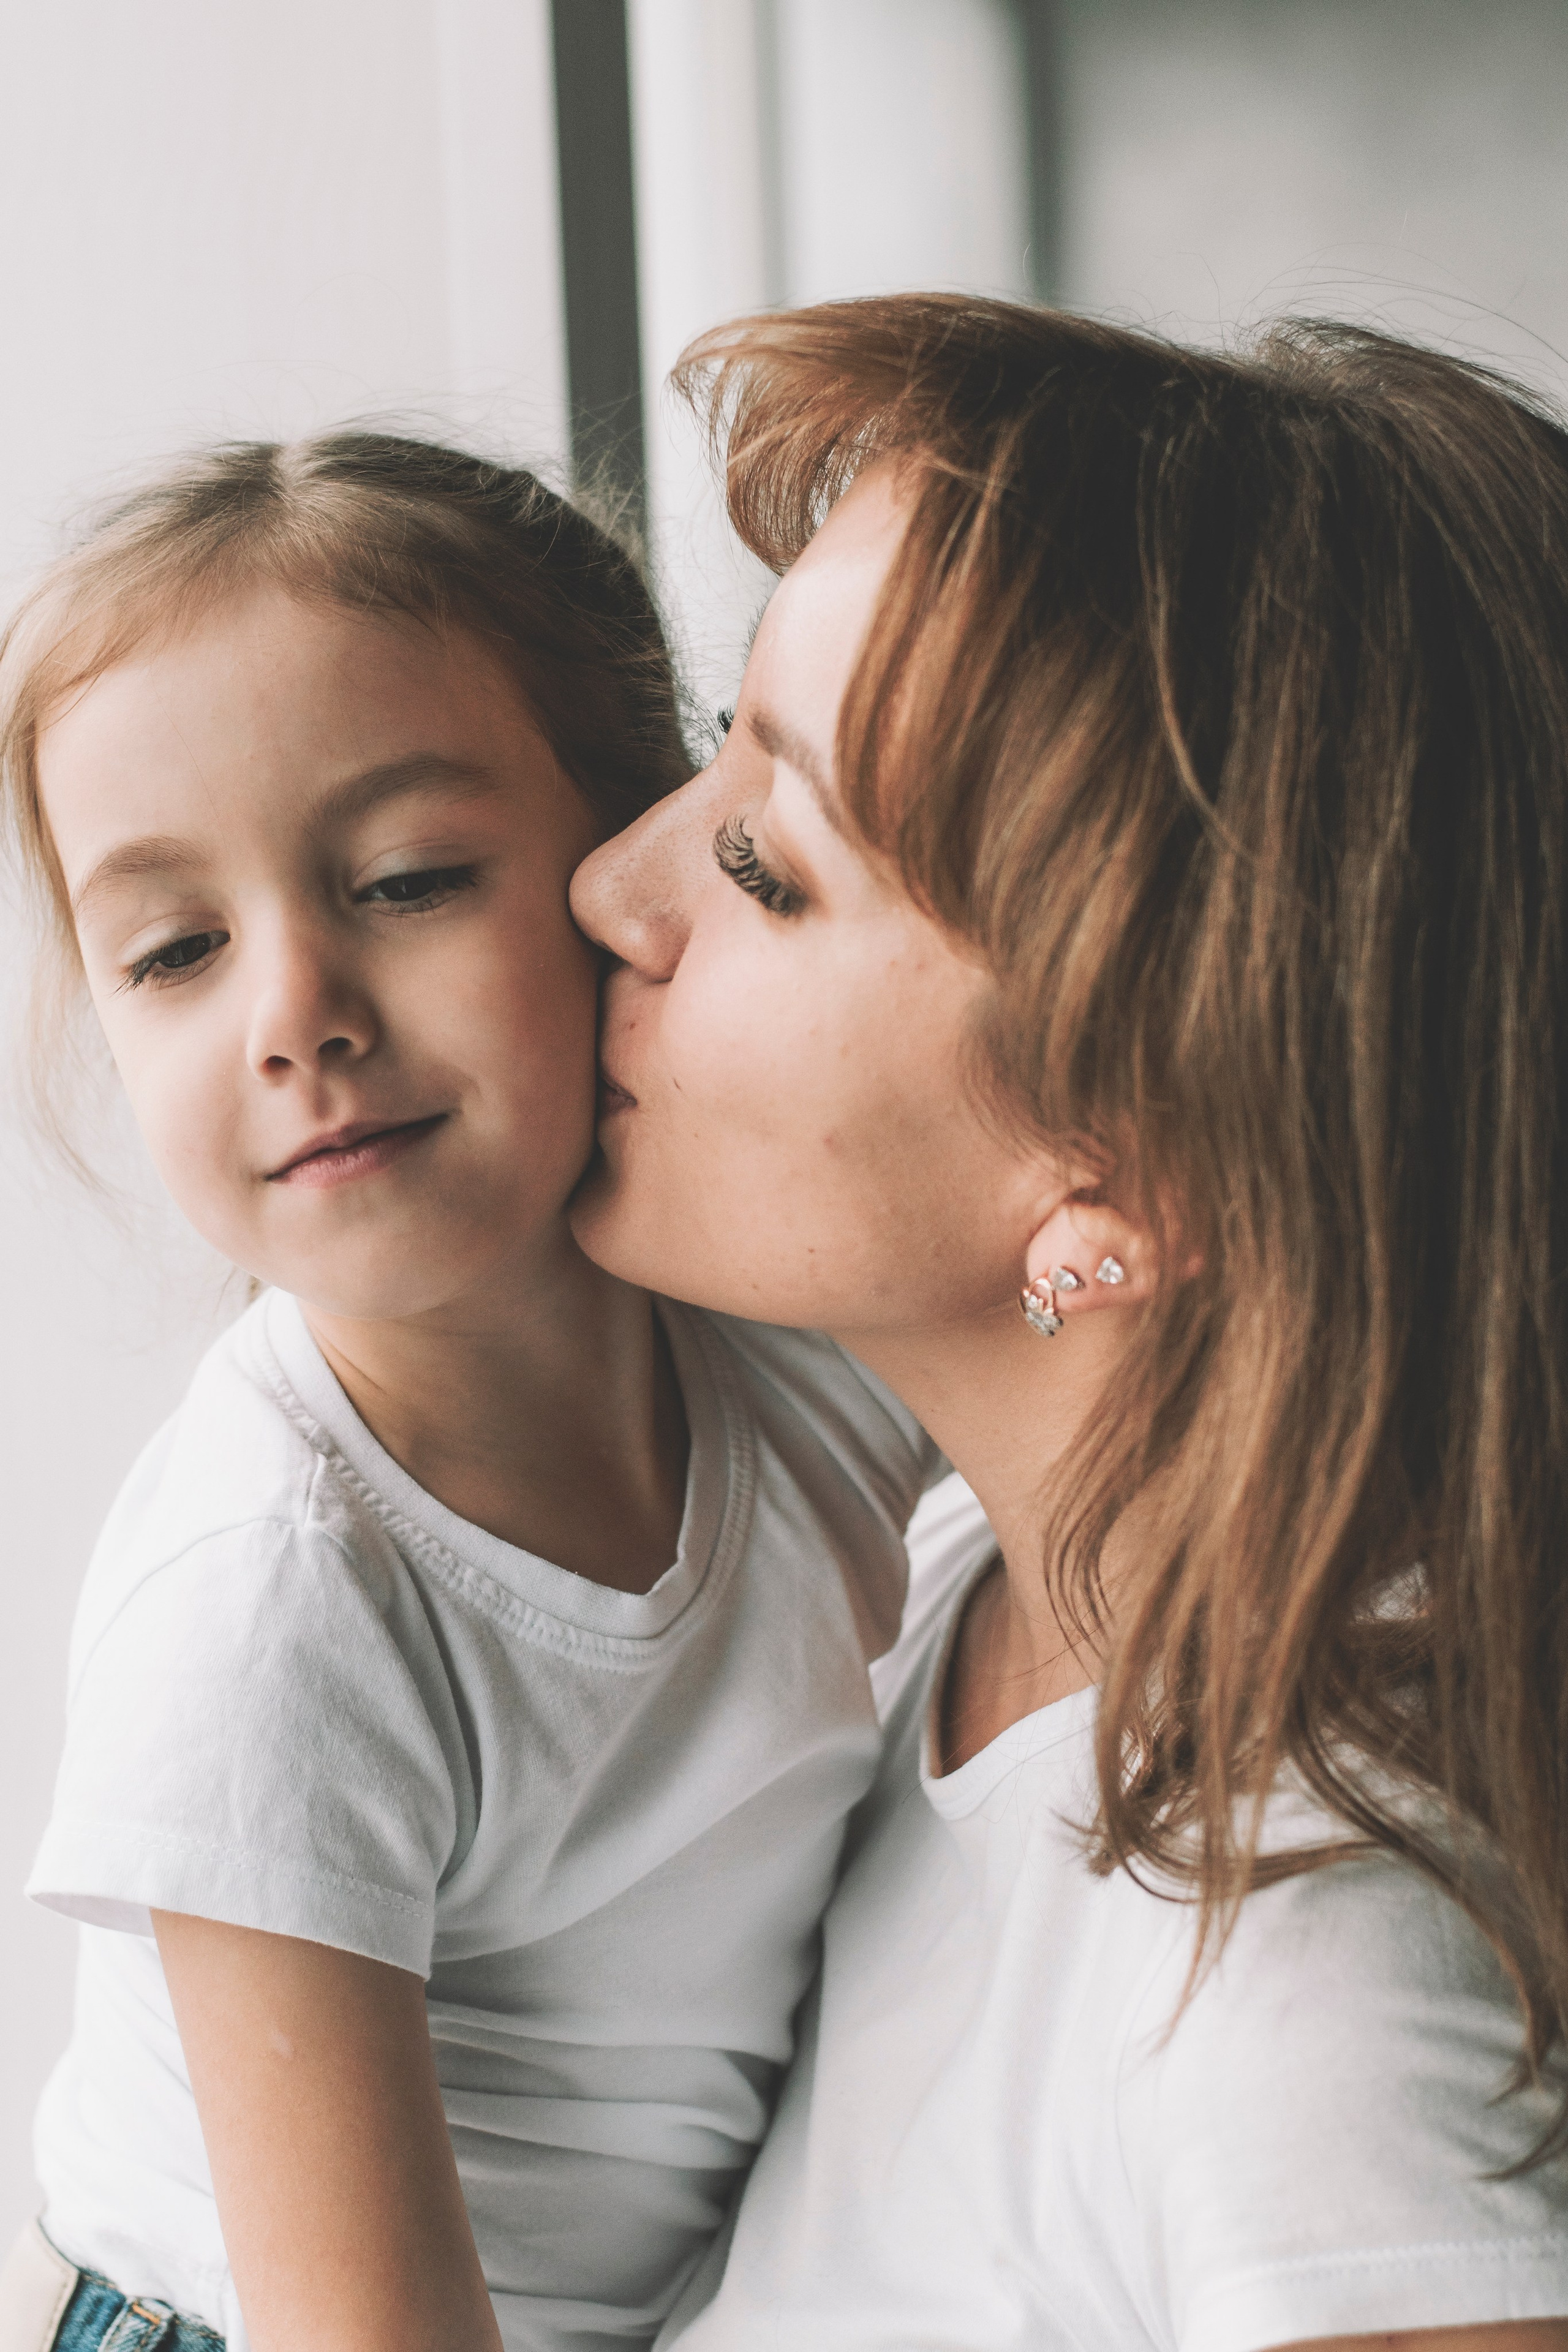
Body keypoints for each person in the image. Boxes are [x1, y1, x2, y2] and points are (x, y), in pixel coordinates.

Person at [565, 295, 1568, 2349]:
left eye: (764, 864)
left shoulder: (1317, 1975)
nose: (612, 886)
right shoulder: (969, 1583)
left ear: (1132, 1177)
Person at [0, 433, 942, 2352]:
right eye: (174, 949)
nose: (296, 1015)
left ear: (640, 866)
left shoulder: (797, 1345)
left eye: (410, 878)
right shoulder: (274, 1606)